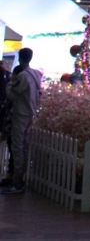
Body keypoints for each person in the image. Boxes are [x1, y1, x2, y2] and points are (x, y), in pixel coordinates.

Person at [1, 48, 42, 194]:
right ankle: (21, 177)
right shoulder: (36, 74)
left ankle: (17, 181)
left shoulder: (23, 76)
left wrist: (10, 83)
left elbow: (12, 94)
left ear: (20, 58)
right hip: (30, 113)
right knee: (24, 146)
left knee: (17, 147)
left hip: (20, 113)